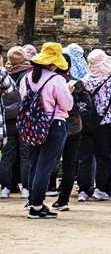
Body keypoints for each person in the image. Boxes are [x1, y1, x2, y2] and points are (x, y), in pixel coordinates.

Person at [19, 42, 73, 219]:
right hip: (54, 125)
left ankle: (32, 200)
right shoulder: (57, 79)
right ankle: (37, 205)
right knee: (45, 166)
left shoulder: (26, 78)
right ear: (54, 62)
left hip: (32, 125)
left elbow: (23, 98)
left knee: (34, 163)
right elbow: (67, 105)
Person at [76, 49, 111, 202]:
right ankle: (101, 188)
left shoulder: (84, 80)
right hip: (106, 123)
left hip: (86, 122)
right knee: (103, 156)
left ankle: (83, 189)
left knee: (84, 157)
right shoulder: (110, 81)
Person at [51, 43, 89, 211]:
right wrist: (75, 110)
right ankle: (63, 199)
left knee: (47, 162)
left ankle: (36, 196)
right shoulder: (77, 83)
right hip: (74, 127)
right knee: (69, 165)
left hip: (52, 126)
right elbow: (88, 105)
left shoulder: (49, 82)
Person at [1, 46, 33, 200]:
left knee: (7, 155)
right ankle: (26, 188)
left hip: (6, 118)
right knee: (25, 155)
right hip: (24, 118)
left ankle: (6, 187)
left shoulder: (4, 73)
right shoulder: (29, 74)